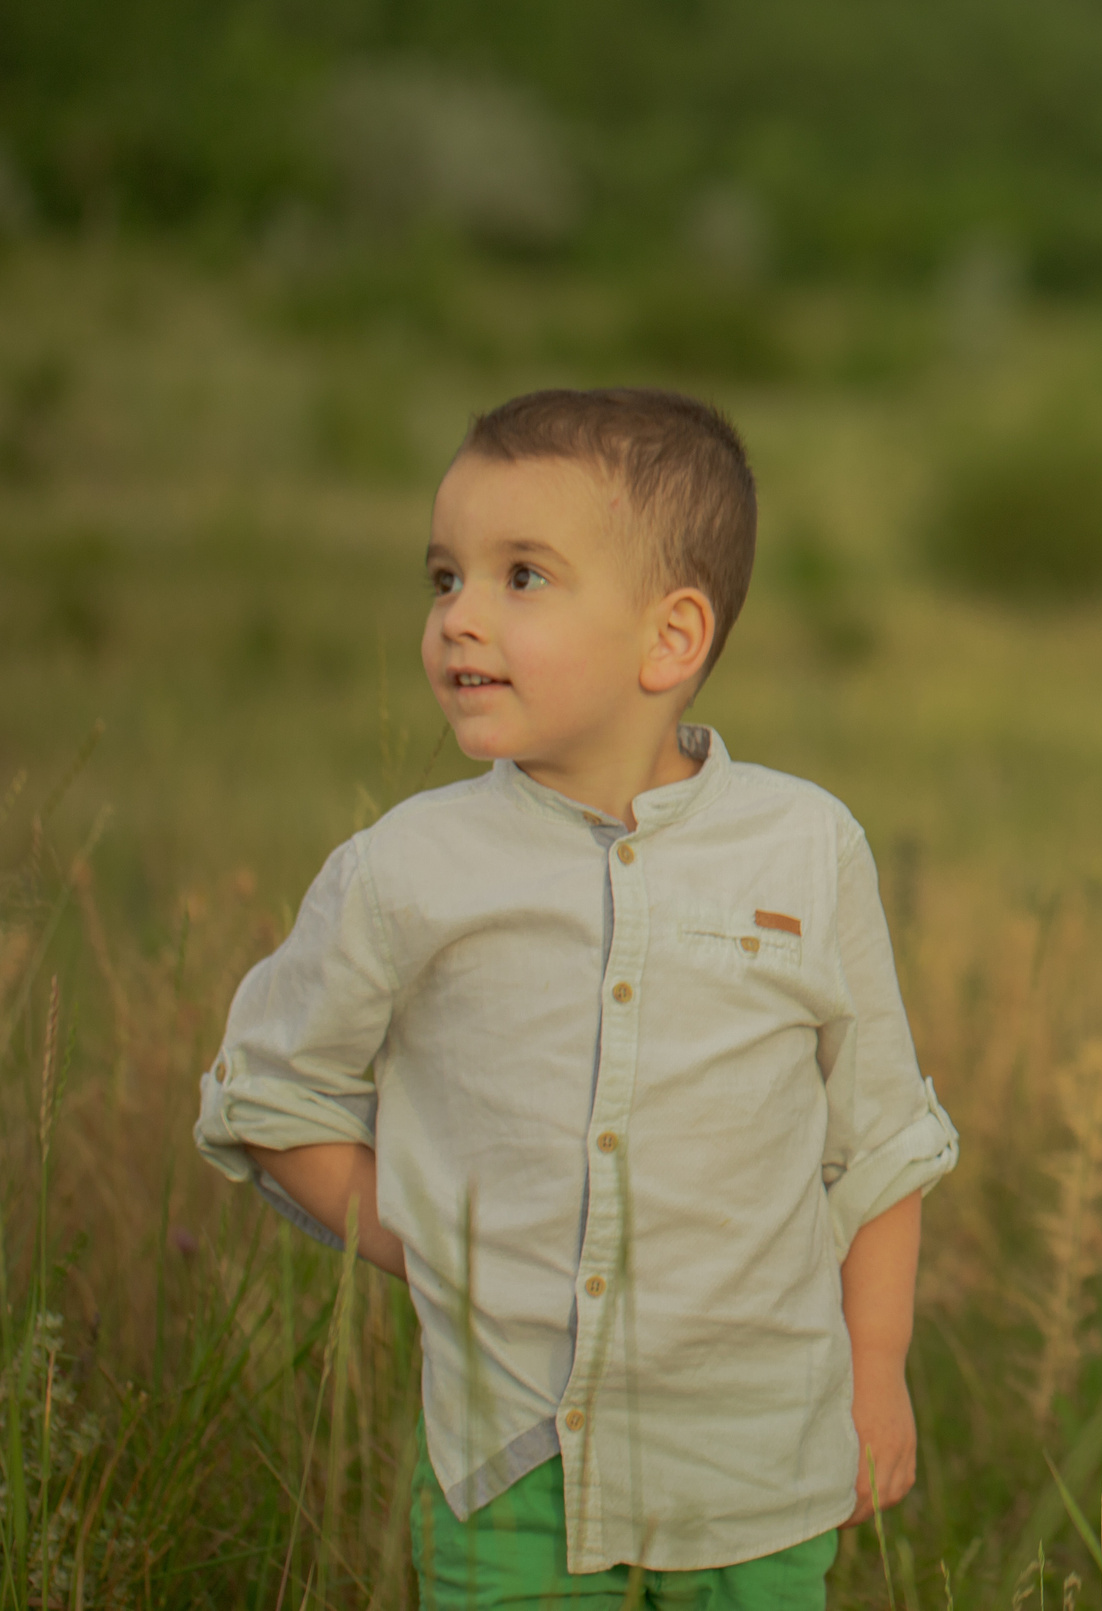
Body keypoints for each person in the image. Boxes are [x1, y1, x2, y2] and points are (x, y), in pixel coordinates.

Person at [196, 387, 958, 1606]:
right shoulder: (407, 871)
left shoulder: (806, 849)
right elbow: (275, 1095)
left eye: (522, 578)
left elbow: (878, 1145)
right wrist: (434, 1247)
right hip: (513, 1470)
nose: (459, 620)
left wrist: (877, 1370)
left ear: (671, 638)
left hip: (754, 1463)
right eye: (445, 577)